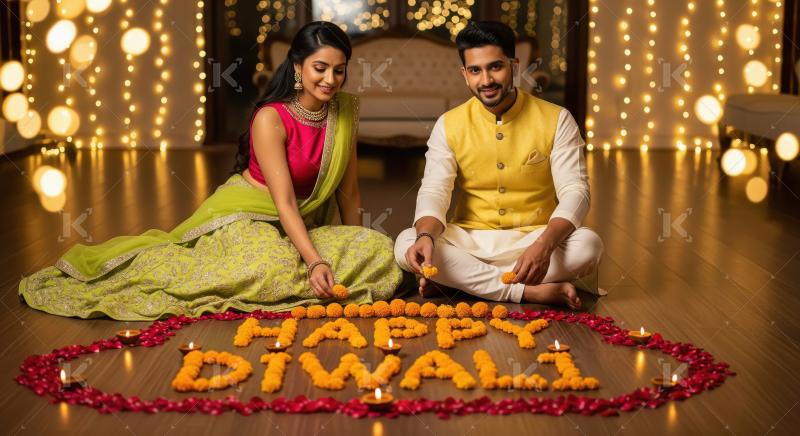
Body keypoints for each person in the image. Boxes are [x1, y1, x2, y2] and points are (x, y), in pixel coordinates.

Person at [20, 21, 402, 320]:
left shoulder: (345, 112)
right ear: (299, 67)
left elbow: (349, 193)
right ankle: (302, 275)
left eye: (339, 71)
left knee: (379, 250)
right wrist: (316, 259)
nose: (330, 80)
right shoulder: (271, 118)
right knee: (270, 265)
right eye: (321, 68)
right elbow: (283, 201)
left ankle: (306, 278)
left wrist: (355, 241)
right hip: (252, 217)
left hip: (306, 224)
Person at [394, 21, 603, 309]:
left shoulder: (557, 118)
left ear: (514, 67)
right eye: (475, 70)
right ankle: (527, 292)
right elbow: (434, 191)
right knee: (407, 242)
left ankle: (460, 282)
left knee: (588, 246)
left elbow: (576, 191)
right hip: (470, 240)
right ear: (465, 75)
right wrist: (427, 236)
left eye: (495, 67)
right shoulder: (449, 124)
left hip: (535, 237)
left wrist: (544, 245)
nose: (486, 80)